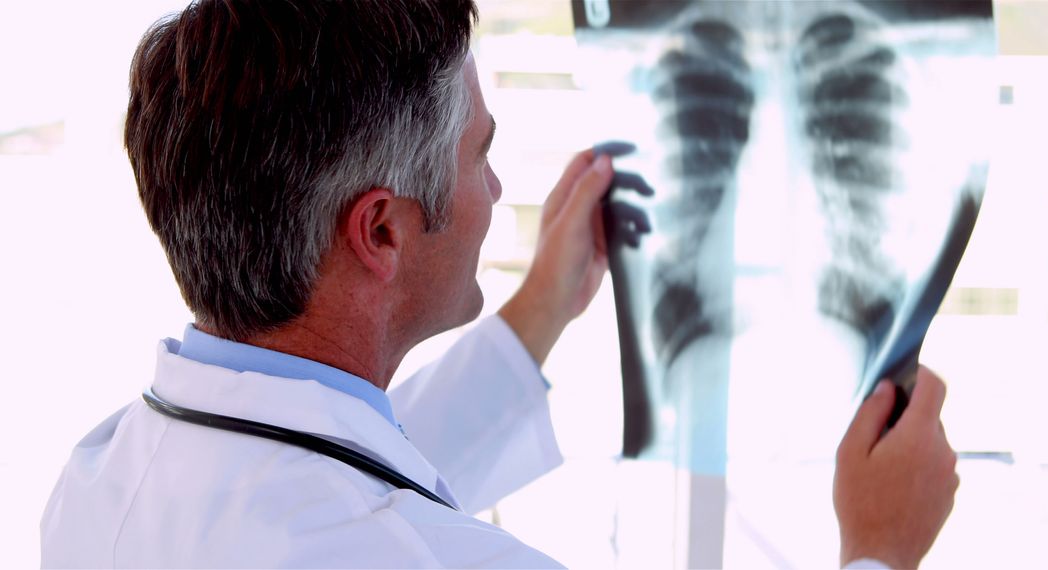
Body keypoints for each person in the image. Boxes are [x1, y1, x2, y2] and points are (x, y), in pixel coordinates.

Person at [40, 1, 958, 568]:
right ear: (382, 229)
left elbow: (339, 479)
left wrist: (540, 313)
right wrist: (877, 551)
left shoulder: (102, 477)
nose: (495, 191)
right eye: (481, 152)